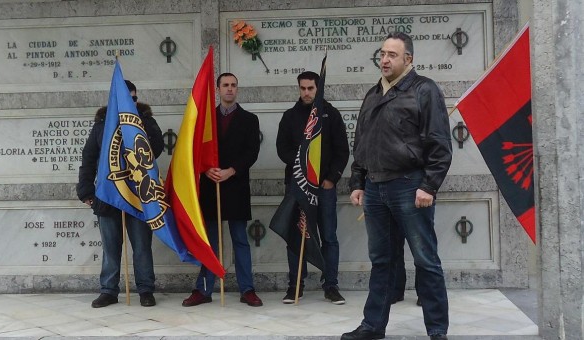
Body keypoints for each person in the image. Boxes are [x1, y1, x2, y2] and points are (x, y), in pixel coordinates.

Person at [343, 32, 452, 340]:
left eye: (392, 54)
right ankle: (373, 326)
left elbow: (440, 144)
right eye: (382, 54)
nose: (385, 59)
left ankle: (437, 330)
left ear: (409, 60)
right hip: (376, 190)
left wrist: (429, 186)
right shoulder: (373, 93)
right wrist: (358, 181)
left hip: (410, 185)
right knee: (382, 261)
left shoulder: (424, 90)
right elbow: (362, 143)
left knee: (425, 260)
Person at [76, 80, 164, 308]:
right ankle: (108, 291)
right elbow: (88, 160)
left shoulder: (145, 122)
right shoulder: (101, 126)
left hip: (138, 195)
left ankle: (145, 289)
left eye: (134, 98)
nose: (131, 102)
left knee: (142, 246)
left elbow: (157, 148)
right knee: (110, 248)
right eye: (126, 99)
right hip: (108, 196)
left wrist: (138, 125)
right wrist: (86, 191)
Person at [181, 73, 263, 307]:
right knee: (211, 242)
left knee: (240, 240)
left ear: (237, 89)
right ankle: (204, 289)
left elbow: (252, 152)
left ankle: (247, 289)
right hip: (211, 186)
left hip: (235, 185)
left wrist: (231, 170)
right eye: (225, 85)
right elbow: (195, 150)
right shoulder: (205, 119)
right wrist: (206, 169)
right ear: (217, 89)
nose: (229, 89)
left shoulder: (249, 119)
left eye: (233, 85)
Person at [276, 71, 349, 305]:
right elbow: (282, 148)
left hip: (324, 187)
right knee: (296, 236)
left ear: (318, 89)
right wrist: (301, 166)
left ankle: (331, 285)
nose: (306, 93)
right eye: (302, 88)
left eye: (310, 88)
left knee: (328, 236)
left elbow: (342, 151)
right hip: (298, 187)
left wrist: (331, 178)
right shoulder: (289, 116)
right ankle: (295, 285)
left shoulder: (331, 115)